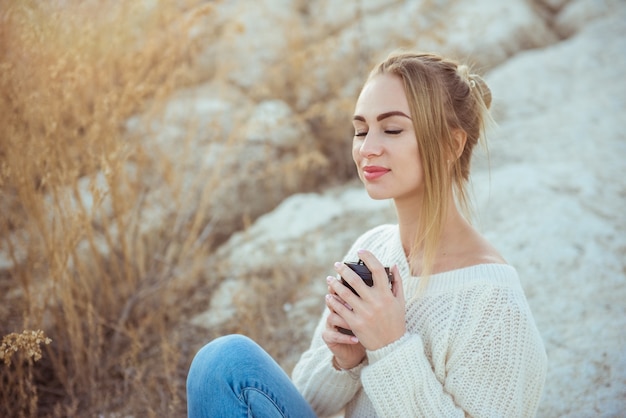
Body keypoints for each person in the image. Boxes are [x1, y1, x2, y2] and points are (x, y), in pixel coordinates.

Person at [186, 51, 547, 417]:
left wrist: (390, 346)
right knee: (223, 361)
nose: (366, 149)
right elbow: (306, 404)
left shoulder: (494, 304)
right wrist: (345, 362)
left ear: (452, 144)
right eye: (361, 130)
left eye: (391, 129)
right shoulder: (373, 248)